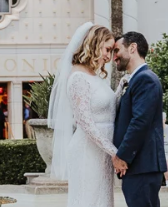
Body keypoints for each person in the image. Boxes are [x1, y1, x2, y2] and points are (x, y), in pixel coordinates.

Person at [47, 23, 119, 207]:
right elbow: (85, 122)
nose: (108, 56)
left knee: (103, 200)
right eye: (107, 49)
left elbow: (109, 106)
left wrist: (123, 86)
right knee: (88, 201)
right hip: (88, 150)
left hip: (103, 151)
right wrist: (114, 152)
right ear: (94, 44)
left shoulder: (95, 76)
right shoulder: (78, 78)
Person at [112, 31, 166, 207]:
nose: (114, 57)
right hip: (139, 165)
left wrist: (122, 156)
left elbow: (140, 122)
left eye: (117, 50)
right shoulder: (137, 79)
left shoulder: (145, 79)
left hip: (143, 164)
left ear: (132, 48)